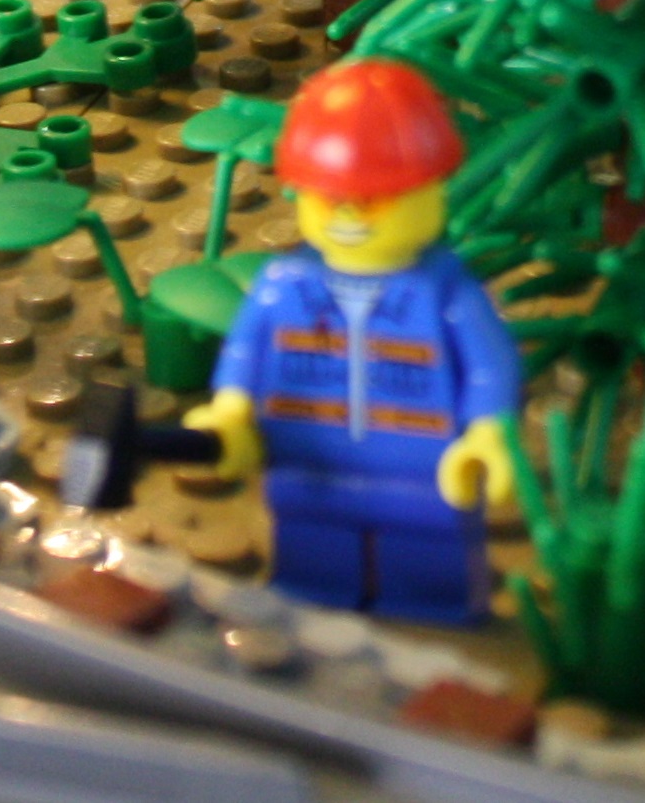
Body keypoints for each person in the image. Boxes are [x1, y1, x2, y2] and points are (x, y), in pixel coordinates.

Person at [186, 57, 520, 621]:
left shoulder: (444, 295)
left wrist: (488, 433)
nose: (348, 215)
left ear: (429, 192)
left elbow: (490, 368)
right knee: (314, 572)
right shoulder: (282, 287)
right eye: (329, 198)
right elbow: (244, 356)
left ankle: (432, 614)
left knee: (428, 580)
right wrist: (230, 412)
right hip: (307, 469)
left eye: (374, 199)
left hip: (423, 475)